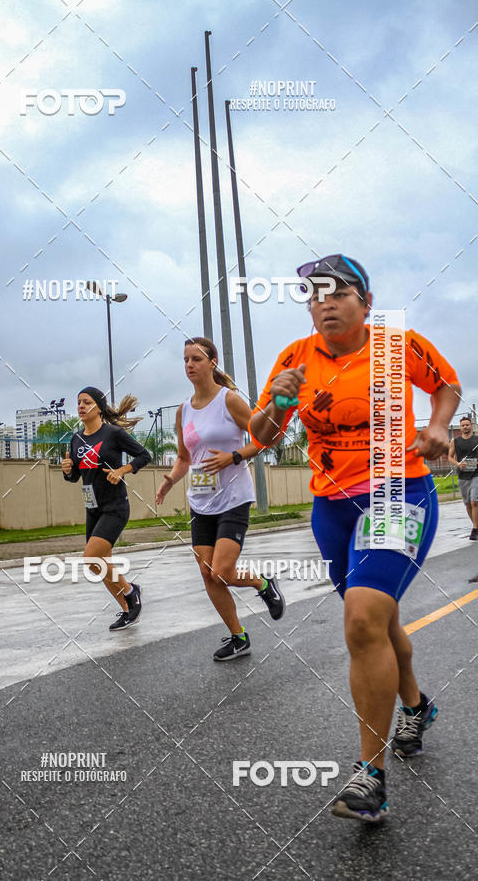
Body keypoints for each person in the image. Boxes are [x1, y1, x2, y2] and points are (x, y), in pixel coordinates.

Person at [249, 254, 461, 822]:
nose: (325, 304)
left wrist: (437, 426)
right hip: (333, 507)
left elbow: (446, 385)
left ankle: (371, 776)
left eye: (338, 293)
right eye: (315, 295)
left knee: (363, 619)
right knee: (378, 624)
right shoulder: (295, 358)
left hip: (397, 493)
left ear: (365, 302)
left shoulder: (397, 345)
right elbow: (262, 436)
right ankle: (415, 706)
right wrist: (280, 402)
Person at [155, 337, 285, 662]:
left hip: (233, 497)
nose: (189, 365)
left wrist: (234, 456)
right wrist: (170, 479)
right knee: (206, 572)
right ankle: (239, 637)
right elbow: (184, 457)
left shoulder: (230, 400)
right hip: (201, 501)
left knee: (222, 571)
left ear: (212, 363)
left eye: (196, 359)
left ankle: (263, 584)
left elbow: (263, 438)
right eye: (185, 359)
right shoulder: (184, 410)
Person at [62, 387, 151, 631]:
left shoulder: (113, 434)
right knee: (99, 563)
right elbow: (75, 477)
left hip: (115, 507)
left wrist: (122, 470)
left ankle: (131, 593)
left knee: (91, 558)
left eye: (86, 402)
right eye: (78, 402)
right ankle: (128, 610)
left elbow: (144, 456)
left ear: (98, 407)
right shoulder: (76, 439)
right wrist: (68, 470)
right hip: (92, 508)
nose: (81, 406)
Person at [448, 415, 478, 540]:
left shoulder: (476, 439)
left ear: (471, 426)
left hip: (476, 474)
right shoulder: (455, 441)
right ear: (460, 428)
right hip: (463, 476)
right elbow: (450, 457)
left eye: (467, 425)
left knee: (475, 501)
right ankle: (476, 526)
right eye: (463, 425)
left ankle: (475, 529)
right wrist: (458, 464)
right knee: (468, 504)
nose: (465, 427)